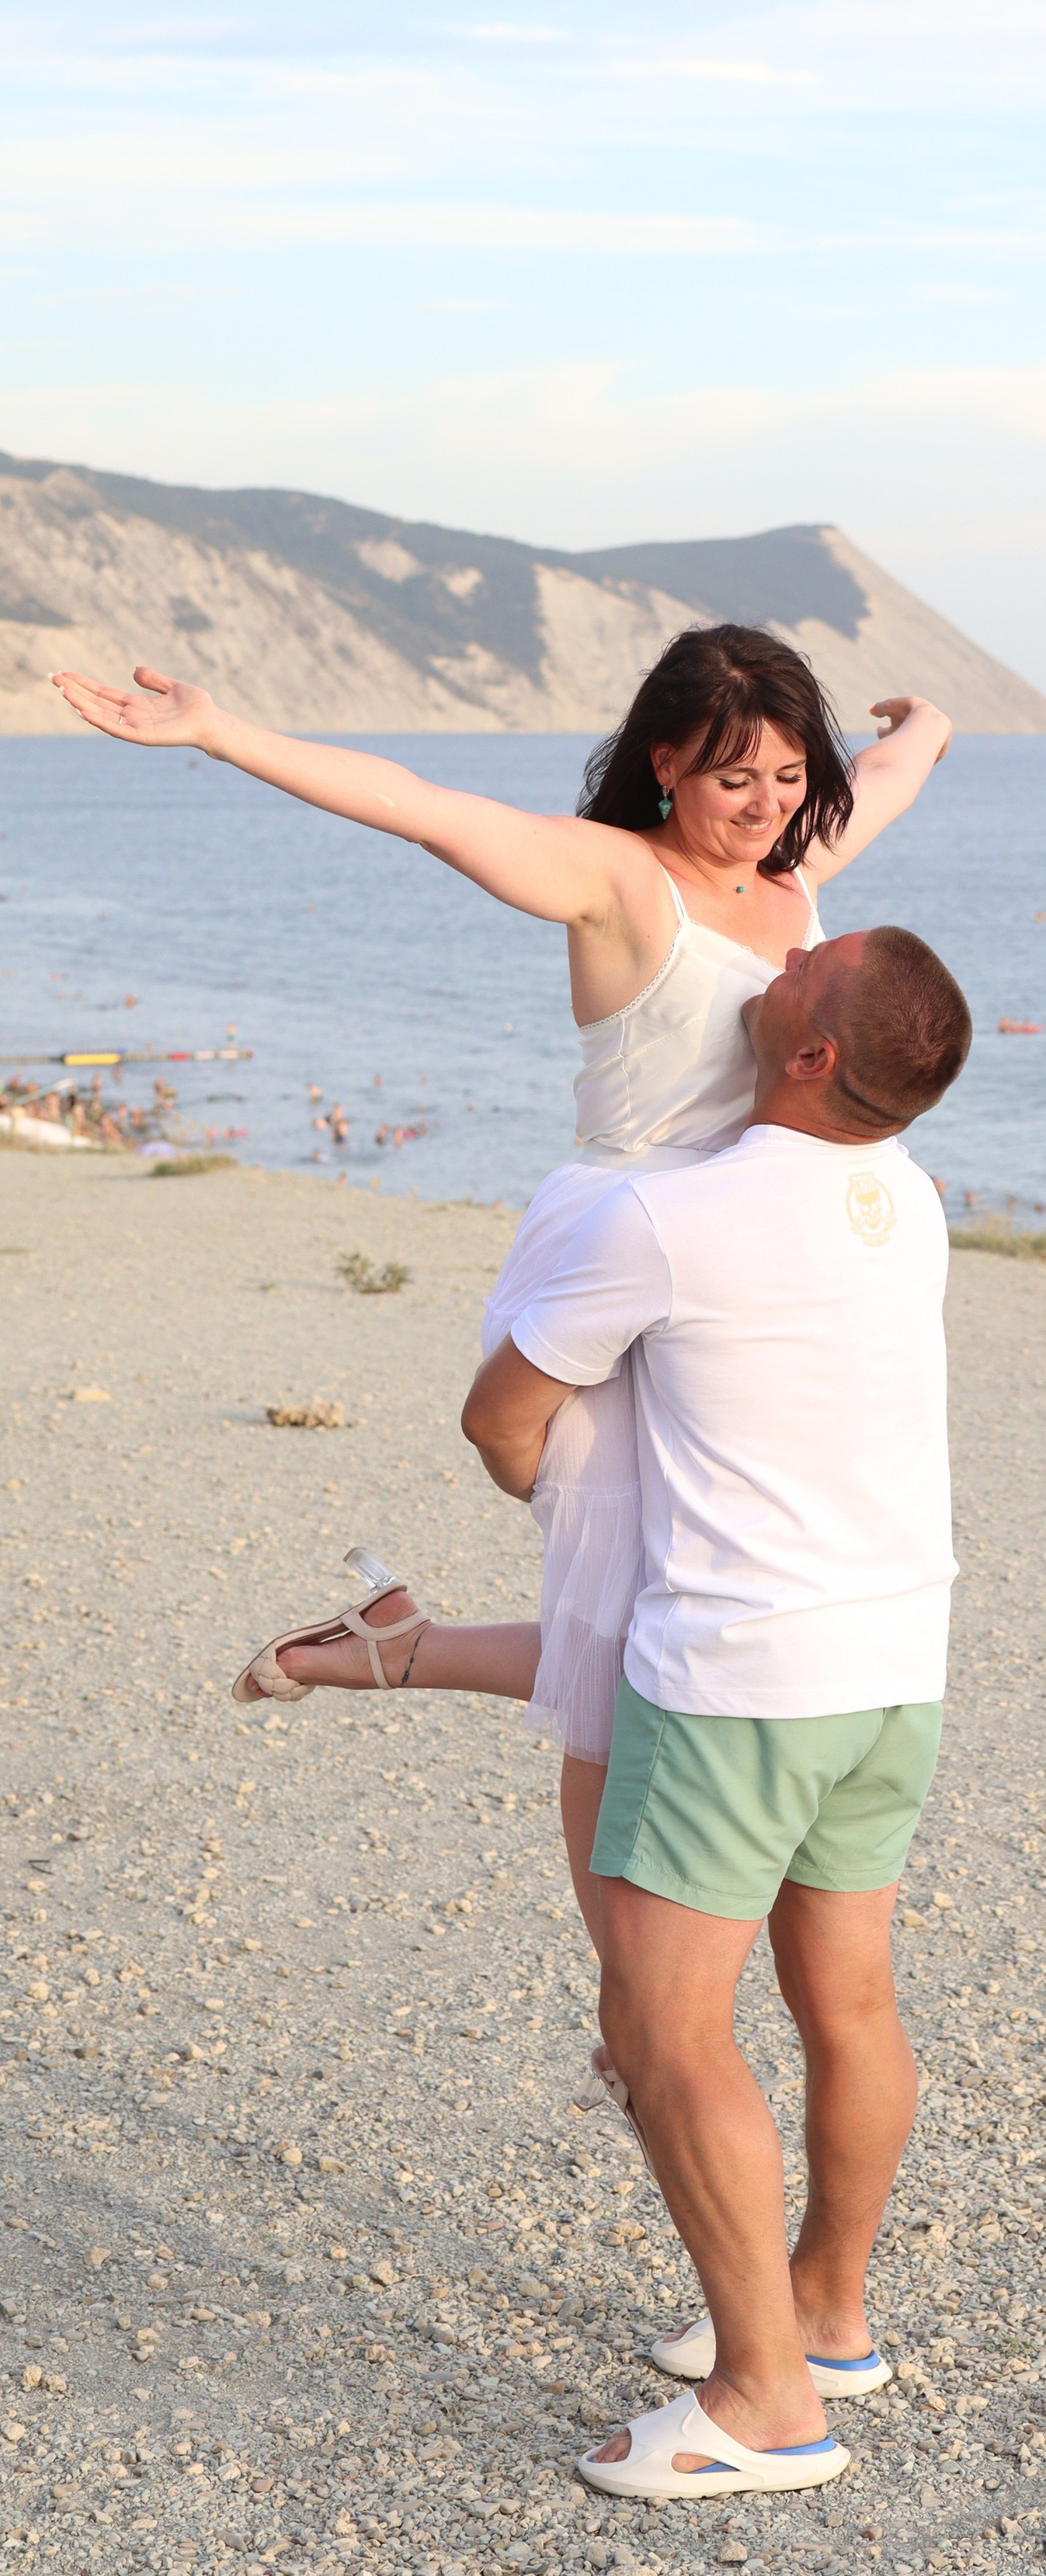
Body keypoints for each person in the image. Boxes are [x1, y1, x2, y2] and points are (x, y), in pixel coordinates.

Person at [50, 631, 953, 1956]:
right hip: (621, 1252)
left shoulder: (794, 874)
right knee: (613, 1624)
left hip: (741, 1280)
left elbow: (880, 777)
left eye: (782, 775)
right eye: (731, 779)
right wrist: (219, 731)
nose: (764, 806)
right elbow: (428, 809)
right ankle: (632, 1991)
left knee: (699, 1598)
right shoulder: (619, 880)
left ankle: (399, 1644)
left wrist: (928, 726)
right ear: (663, 765)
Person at [460, 920, 971, 2503]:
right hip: (895, 1659)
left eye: (807, 975)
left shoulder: (664, 1216)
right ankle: (825, 2313)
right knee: (850, 2005)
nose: (775, 960)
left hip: (739, 1676)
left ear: (811, 1054)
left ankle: (765, 2405)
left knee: (664, 2032)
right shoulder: (910, 1198)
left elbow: (500, 1422)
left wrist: (587, 1512)